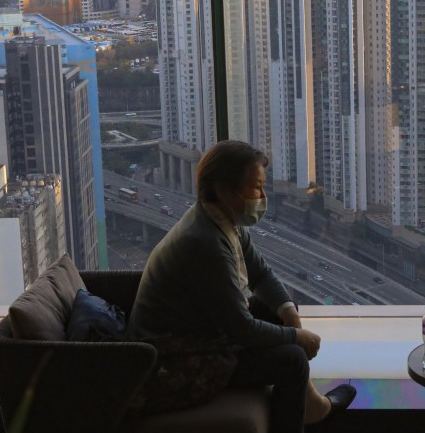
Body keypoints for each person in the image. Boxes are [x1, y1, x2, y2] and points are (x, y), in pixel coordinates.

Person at [128, 140, 355, 431]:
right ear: (224, 189)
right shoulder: (205, 244)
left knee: (279, 310)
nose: (262, 196)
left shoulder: (218, 220)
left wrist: (289, 314)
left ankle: (309, 405)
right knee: (293, 360)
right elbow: (242, 329)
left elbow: (260, 274)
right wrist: (297, 338)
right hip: (176, 358)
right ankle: (306, 413)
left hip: (199, 331)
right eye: (256, 187)